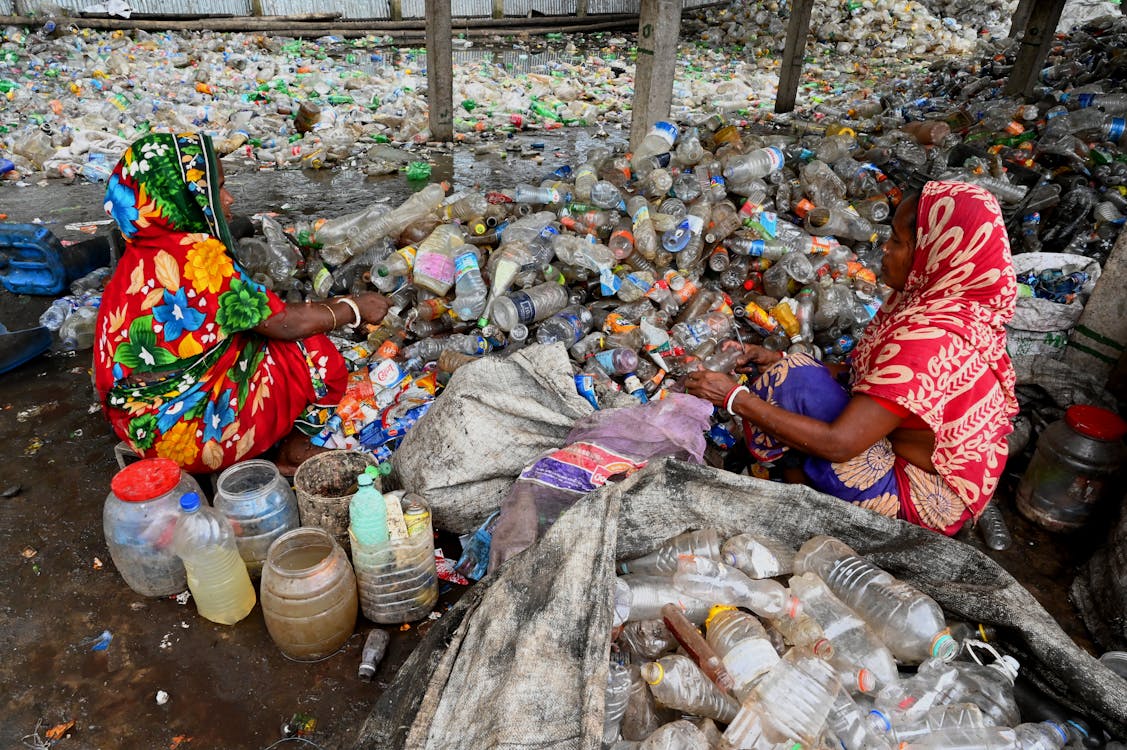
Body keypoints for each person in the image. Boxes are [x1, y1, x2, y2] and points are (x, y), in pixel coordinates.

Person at [685, 180, 1018, 535]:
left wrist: (735, 399)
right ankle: (793, 466)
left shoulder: (931, 339)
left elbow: (839, 444)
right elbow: (873, 378)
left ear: (935, 253)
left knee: (794, 400)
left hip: (922, 499)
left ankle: (798, 486)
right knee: (794, 369)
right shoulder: (945, 304)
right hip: (921, 456)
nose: (885, 250)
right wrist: (775, 357)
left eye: (898, 242)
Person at [94, 132, 389, 475]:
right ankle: (292, 450)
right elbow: (286, 323)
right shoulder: (195, 255)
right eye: (216, 187)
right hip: (188, 442)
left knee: (251, 337)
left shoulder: (140, 253)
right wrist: (354, 308)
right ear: (183, 196)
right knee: (315, 354)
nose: (228, 198)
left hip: (136, 427)